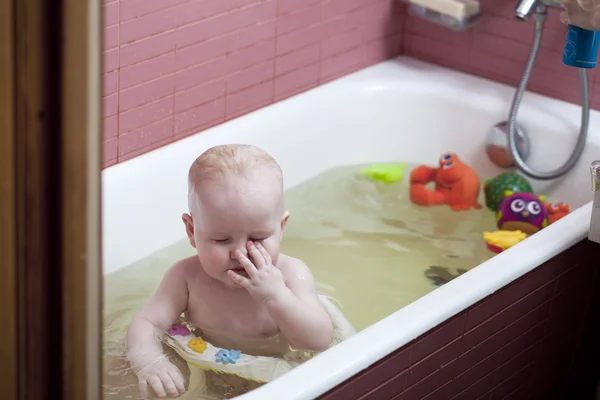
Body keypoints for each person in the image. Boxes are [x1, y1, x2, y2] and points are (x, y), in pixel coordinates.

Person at [125, 144, 336, 399]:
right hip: (212, 374)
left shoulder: (291, 275)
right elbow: (146, 322)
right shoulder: (186, 278)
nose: (240, 253)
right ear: (192, 231)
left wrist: (277, 296)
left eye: (258, 237)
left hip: (279, 379)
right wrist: (149, 360)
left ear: (281, 228)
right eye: (222, 240)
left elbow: (319, 341)